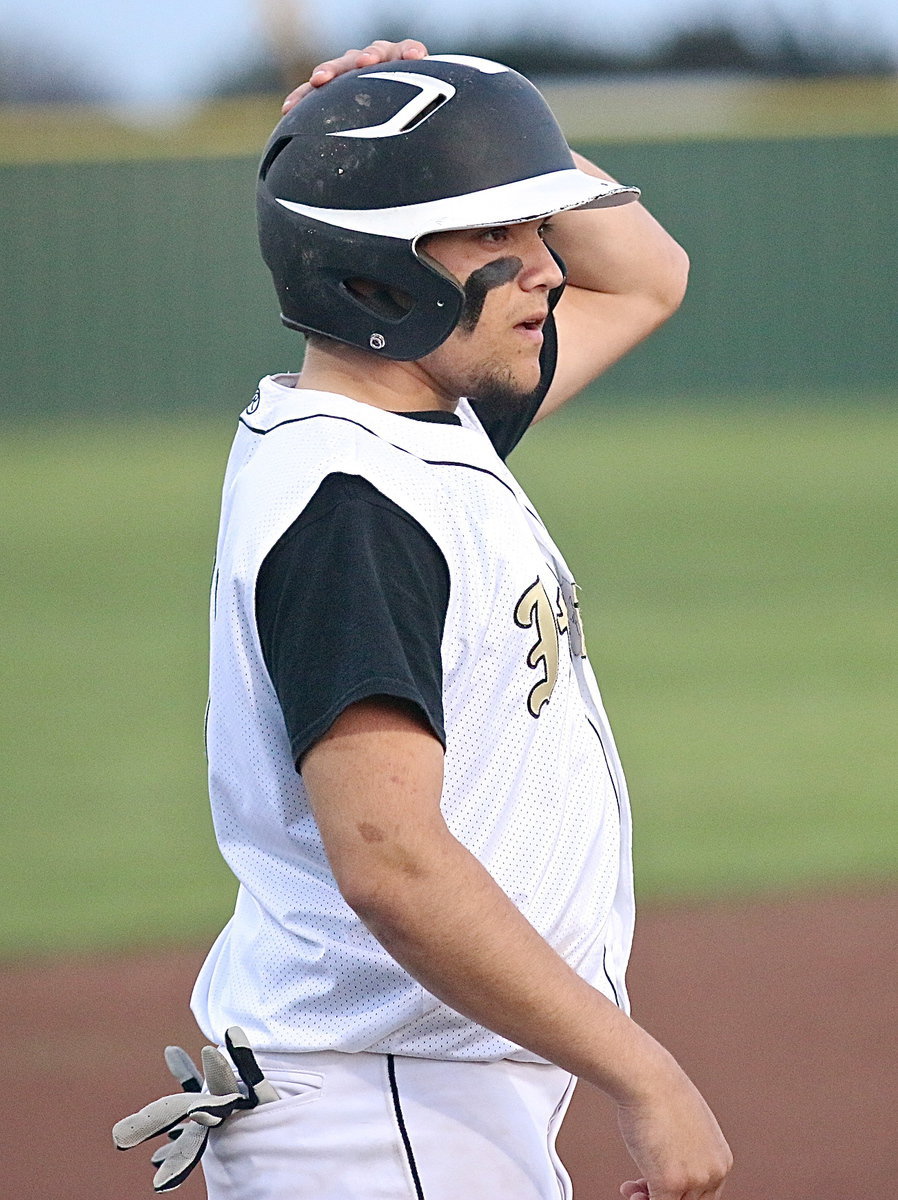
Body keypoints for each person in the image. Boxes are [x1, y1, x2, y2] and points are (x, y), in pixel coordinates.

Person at [116, 39, 731, 1200]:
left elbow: (646, 275)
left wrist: (468, 120)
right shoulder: (354, 508)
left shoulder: (421, 431)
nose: (544, 267)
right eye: (494, 233)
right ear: (372, 273)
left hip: (401, 1100)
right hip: (378, 1116)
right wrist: (646, 1076)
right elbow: (392, 862)